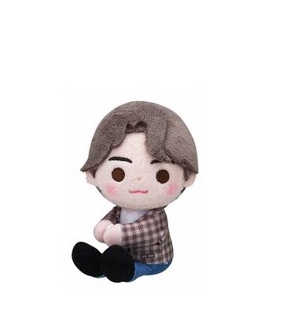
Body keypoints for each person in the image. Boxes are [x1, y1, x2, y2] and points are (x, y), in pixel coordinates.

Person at [72, 101, 198, 282]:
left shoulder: (155, 218)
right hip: (121, 254)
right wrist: (104, 224)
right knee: (114, 260)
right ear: (93, 174)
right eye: (119, 173)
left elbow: (145, 231)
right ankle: (100, 267)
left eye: (161, 175)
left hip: (154, 260)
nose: (138, 180)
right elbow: (115, 214)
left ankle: (127, 271)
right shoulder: (121, 208)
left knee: (130, 267)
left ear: (187, 177)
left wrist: (120, 235)